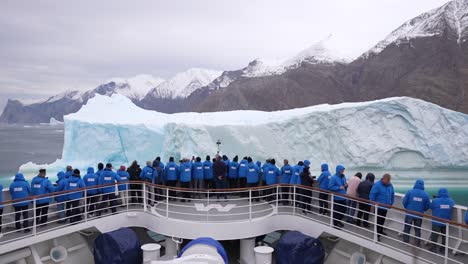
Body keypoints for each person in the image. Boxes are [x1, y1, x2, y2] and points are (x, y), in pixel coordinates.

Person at [402, 179, 430, 246]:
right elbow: (427, 206)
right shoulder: (425, 194)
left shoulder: (409, 192)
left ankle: (405, 242)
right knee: (417, 230)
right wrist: (422, 210)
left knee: (407, 228)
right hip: (419, 214)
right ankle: (417, 243)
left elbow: (404, 202)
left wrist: (407, 208)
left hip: (409, 213)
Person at [428, 188, 455, 253]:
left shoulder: (435, 201)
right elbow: (451, 204)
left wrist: (435, 199)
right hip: (446, 222)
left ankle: (433, 248)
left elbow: (431, 206)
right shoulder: (451, 201)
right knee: (444, 236)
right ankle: (443, 250)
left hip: (436, 221)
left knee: (435, 235)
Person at [370, 173, 395, 241]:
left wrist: (391, 203)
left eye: (389, 181)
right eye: (387, 181)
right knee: (378, 221)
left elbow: (392, 194)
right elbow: (372, 195)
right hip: (378, 207)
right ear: (383, 179)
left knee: (382, 220)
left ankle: (380, 231)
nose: (388, 182)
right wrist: (372, 204)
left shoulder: (390, 185)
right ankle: (376, 235)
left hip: (385, 206)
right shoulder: (377, 185)